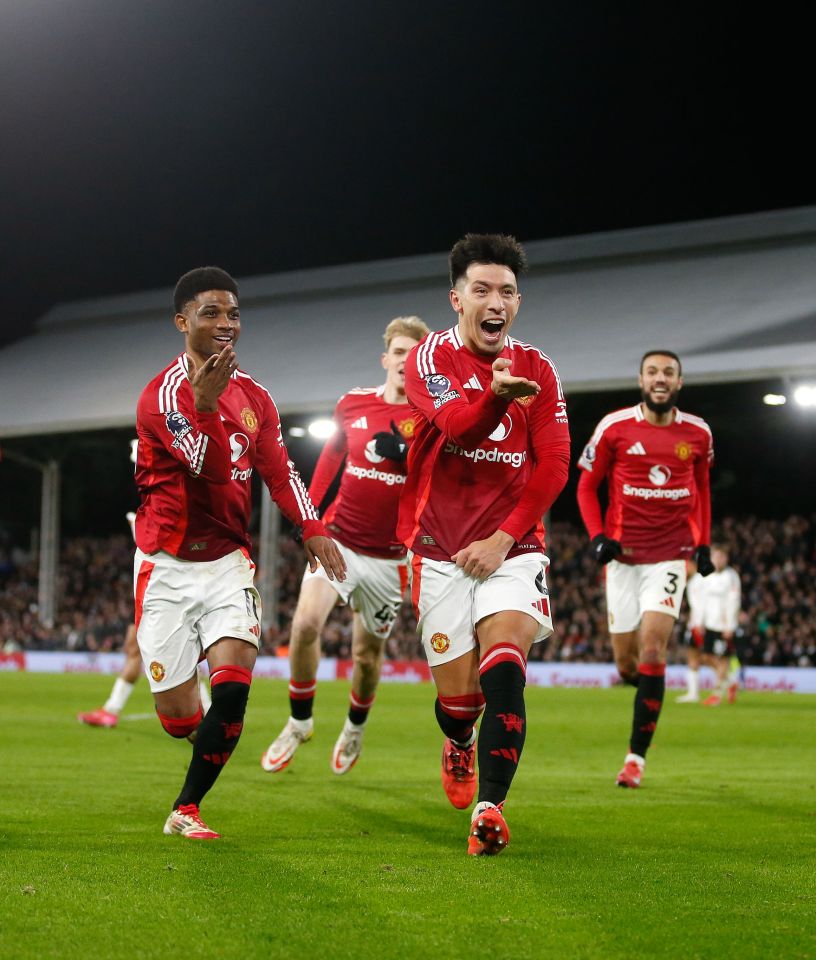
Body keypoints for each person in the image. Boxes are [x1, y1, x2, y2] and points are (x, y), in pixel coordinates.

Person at [134, 266, 345, 840]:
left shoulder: (256, 397)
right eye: (211, 313)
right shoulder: (160, 397)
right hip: (167, 565)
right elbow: (210, 468)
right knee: (181, 721)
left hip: (228, 562)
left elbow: (280, 470)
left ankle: (186, 809)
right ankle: (193, 723)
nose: (226, 323)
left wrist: (311, 526)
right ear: (182, 322)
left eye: (233, 313)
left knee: (233, 690)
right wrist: (203, 403)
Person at [398, 233, 570, 856]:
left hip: (512, 545)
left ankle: (490, 809)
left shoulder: (540, 369)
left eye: (506, 292)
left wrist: (504, 539)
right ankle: (457, 740)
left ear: (517, 303)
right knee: (459, 702)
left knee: (506, 663)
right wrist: (496, 396)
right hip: (440, 548)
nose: (494, 301)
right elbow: (454, 424)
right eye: (482, 290)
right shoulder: (427, 360)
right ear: (456, 299)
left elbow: (553, 466)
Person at [260, 315, 430, 776]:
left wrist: (409, 456)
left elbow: (439, 482)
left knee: (366, 656)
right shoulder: (353, 404)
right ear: (385, 358)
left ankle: (355, 726)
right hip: (339, 541)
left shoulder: (431, 417)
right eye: (398, 352)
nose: (403, 361)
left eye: (413, 354)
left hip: (389, 559)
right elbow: (332, 456)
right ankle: (299, 721)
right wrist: (309, 516)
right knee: (305, 625)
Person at [577, 350, 714, 789]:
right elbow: (585, 486)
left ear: (679, 382)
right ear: (640, 379)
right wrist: (598, 535)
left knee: (654, 649)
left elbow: (703, 492)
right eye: (653, 371)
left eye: (668, 373)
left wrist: (703, 545)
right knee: (627, 665)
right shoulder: (614, 427)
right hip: (622, 560)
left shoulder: (697, 433)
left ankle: (635, 758)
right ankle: (648, 696)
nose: (660, 378)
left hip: (669, 556)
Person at [78, 510, 212, 728]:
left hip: (172, 593)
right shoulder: (160, 510)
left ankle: (205, 711)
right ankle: (111, 709)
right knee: (135, 648)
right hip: (154, 590)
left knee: (182, 656)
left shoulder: (179, 515)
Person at [678, 545, 741, 706]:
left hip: (722, 626)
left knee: (720, 659)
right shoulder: (705, 578)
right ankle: (729, 681)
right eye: (716, 556)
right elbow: (700, 604)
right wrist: (699, 622)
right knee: (704, 657)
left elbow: (733, 602)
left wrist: (730, 626)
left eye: (721, 556)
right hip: (707, 624)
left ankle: (717, 694)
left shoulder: (731, 576)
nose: (718, 560)